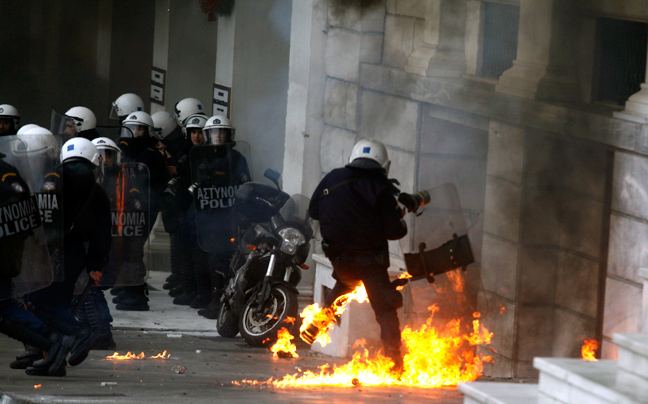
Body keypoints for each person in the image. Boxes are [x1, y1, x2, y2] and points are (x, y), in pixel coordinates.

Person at [307, 138, 408, 374]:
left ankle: (312, 329)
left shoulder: (332, 177)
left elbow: (314, 210)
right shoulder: (381, 189)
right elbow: (395, 232)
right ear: (384, 165)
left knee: (344, 286)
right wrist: (399, 216)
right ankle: (394, 365)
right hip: (370, 264)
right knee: (385, 312)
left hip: (340, 261)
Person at [27, 137, 112, 376]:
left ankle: (81, 332)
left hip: (49, 252)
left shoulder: (51, 180)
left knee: (38, 302)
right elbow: (102, 235)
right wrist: (96, 264)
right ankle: (55, 362)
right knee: (59, 305)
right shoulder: (98, 193)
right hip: (75, 255)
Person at [194, 114, 250, 319]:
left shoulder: (237, 159)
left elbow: (245, 185)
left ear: (228, 134)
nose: (218, 136)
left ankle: (225, 305)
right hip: (208, 217)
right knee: (210, 259)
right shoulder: (201, 157)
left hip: (229, 217)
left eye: (222, 132)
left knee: (226, 260)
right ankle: (212, 300)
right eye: (214, 132)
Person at [112, 111, 168, 310]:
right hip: (126, 207)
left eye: (139, 129)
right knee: (126, 249)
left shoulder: (150, 154)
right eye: (131, 128)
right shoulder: (126, 151)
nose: (135, 133)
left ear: (148, 131)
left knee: (134, 250)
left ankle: (137, 296)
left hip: (144, 208)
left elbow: (158, 183)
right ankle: (130, 289)